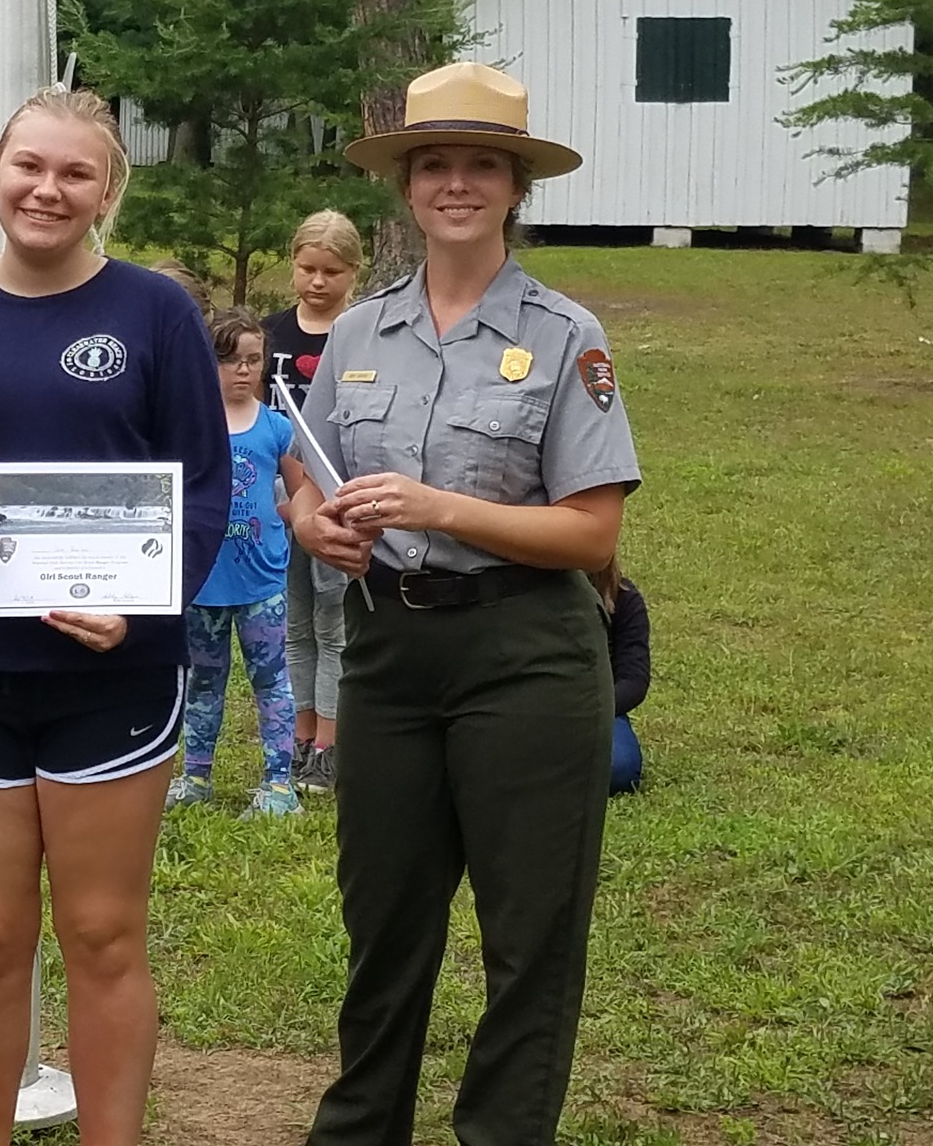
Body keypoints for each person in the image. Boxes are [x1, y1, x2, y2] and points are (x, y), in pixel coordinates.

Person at [0, 85, 230, 1146]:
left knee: (103, 934)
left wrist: (143, 599)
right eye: (29, 165)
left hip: (112, 674)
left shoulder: (153, 312)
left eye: (76, 172)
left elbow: (201, 486)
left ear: (106, 191)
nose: (47, 189)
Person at [290, 62, 641, 1146]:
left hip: (524, 655)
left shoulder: (566, 333)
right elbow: (303, 477)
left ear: (512, 186)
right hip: (387, 656)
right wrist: (313, 525)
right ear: (403, 185)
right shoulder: (355, 334)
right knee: (383, 927)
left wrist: (442, 505)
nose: (454, 184)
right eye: (431, 164)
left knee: (527, 936)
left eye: (479, 165)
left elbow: (590, 533)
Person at [166, 306, 305, 818]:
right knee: (203, 680)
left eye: (253, 360)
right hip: (201, 582)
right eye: (230, 360)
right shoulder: (186, 428)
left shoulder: (276, 427)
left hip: (262, 582)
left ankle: (278, 783)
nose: (244, 371)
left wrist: (283, 518)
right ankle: (195, 775)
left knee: (272, 680)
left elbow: (301, 491)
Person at [263, 209, 363, 795]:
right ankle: (300, 737)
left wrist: (318, 488)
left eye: (331, 271)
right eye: (307, 269)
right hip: (276, 495)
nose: (318, 282)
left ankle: (330, 743)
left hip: (335, 495)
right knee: (291, 624)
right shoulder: (272, 334)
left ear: (353, 271)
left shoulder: (361, 335)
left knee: (333, 626)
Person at [593, 557, 651, 795]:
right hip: (532, 707)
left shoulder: (624, 598)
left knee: (619, 768)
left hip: (599, 710)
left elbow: (634, 680)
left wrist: (590, 708)